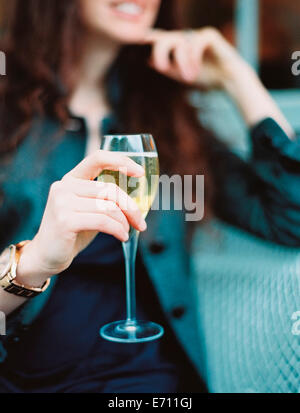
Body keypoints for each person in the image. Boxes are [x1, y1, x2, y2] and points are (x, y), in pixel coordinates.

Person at [0, 0, 300, 393]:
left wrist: (237, 77)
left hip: (147, 379)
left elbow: (291, 217)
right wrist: (33, 262)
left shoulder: (167, 120)